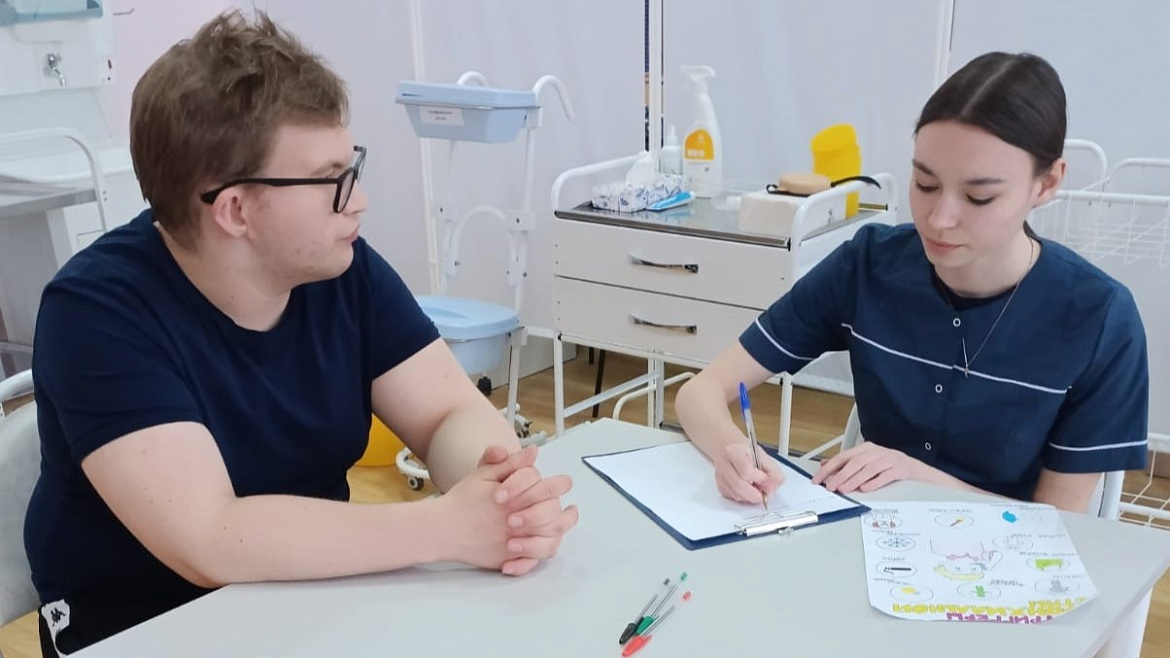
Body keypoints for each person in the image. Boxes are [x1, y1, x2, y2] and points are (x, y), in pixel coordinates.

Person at [25, 11, 577, 656]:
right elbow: (212, 539)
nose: (358, 200)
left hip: (311, 600)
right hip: (142, 629)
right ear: (235, 209)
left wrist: (503, 493)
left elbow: (447, 413)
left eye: (353, 167)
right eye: (331, 180)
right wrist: (447, 527)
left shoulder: (337, 267)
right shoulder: (95, 312)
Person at [675, 51, 1148, 515]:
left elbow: (1061, 524)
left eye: (979, 197)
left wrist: (919, 478)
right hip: (868, 538)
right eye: (925, 184)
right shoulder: (868, 266)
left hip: (1005, 555)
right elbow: (699, 393)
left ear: (1046, 184)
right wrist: (732, 450)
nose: (939, 219)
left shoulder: (1099, 319)